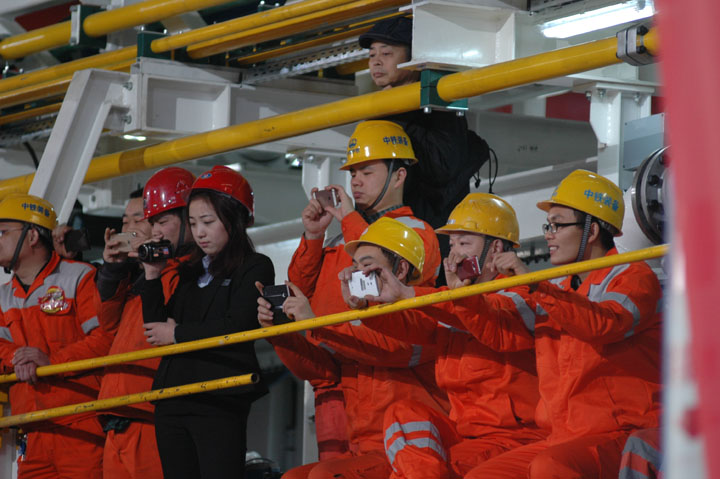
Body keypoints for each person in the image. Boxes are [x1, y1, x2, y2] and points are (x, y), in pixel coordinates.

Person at [453, 170, 662, 478]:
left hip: (622, 430)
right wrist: (463, 297)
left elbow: (602, 325)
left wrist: (535, 284)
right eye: (547, 226)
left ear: (592, 230)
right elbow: (501, 332)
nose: (548, 235)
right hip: (564, 434)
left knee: (551, 466)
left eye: (557, 225)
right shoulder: (559, 289)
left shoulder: (633, 276)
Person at [275, 121, 446, 477]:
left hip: (392, 385)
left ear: (399, 176)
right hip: (340, 382)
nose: (355, 181)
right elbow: (299, 290)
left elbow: (377, 265)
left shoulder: (415, 231)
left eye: (367, 172)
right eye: (353, 172)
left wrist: (349, 219)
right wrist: (313, 236)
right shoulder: (341, 236)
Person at [337, 193, 546, 478]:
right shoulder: (450, 300)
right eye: (452, 244)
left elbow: (489, 316)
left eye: (464, 243)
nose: (455, 254)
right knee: (404, 414)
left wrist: (408, 293)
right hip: (465, 434)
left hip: (516, 437)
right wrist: (367, 306)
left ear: (495, 247)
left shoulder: (521, 293)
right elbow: (414, 323)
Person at [260, 217, 446, 478]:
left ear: (402, 268)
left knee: (323, 476)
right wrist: (279, 332)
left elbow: (387, 349)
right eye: (355, 265)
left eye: (366, 265)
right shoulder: (359, 321)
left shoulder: (426, 311)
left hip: (409, 451)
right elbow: (324, 371)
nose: (355, 274)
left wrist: (314, 323)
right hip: (364, 450)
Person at [140, 165, 274, 479]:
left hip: (219, 397)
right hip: (172, 399)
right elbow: (156, 329)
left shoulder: (255, 266)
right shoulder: (190, 271)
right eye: (193, 223)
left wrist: (178, 334)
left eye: (208, 222)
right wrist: (152, 276)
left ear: (234, 219)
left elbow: (239, 325)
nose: (199, 232)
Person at [0, 193, 113, 479]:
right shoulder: (2, 297)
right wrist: (17, 357)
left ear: (32, 235)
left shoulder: (80, 277)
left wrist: (51, 362)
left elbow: (103, 340)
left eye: (2, 232)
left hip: (81, 424)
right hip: (32, 430)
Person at [96, 168, 195, 479]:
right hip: (117, 414)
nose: (129, 229)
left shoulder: (184, 273)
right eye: (125, 221)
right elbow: (108, 326)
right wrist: (113, 270)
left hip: (151, 415)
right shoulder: (138, 279)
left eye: (140, 219)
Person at [359, 16, 490, 236]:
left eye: (386, 53)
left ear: (414, 58)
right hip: (391, 234)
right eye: (372, 55)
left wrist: (396, 121)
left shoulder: (440, 102)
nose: (376, 62)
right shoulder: (376, 112)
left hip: (428, 236)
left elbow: (443, 169)